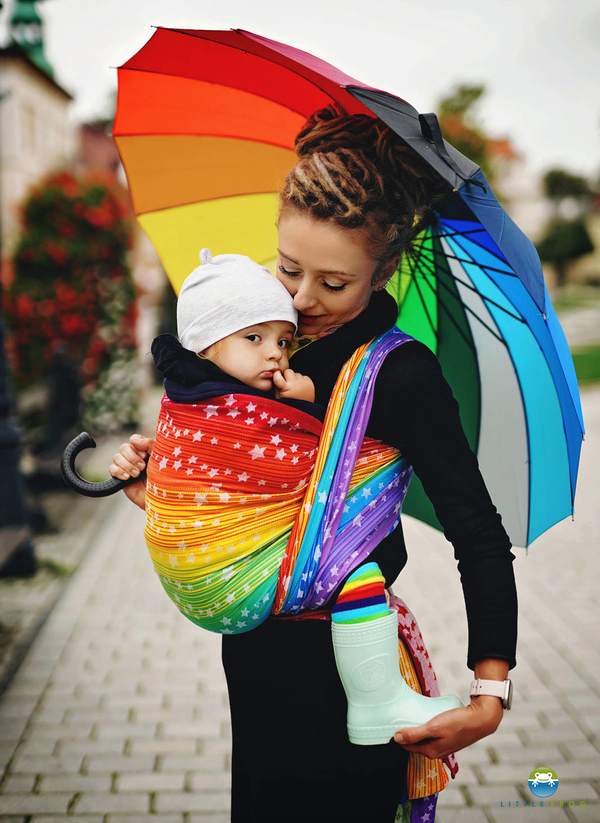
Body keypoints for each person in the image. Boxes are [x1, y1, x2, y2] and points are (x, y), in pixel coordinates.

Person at [111, 104, 518, 823]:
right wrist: (166, 489)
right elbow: (245, 492)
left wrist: (490, 696)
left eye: (333, 284)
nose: (301, 301)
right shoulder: (258, 350)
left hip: (355, 672)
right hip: (257, 659)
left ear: (384, 269)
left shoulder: (402, 377)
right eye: (289, 268)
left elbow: (478, 532)